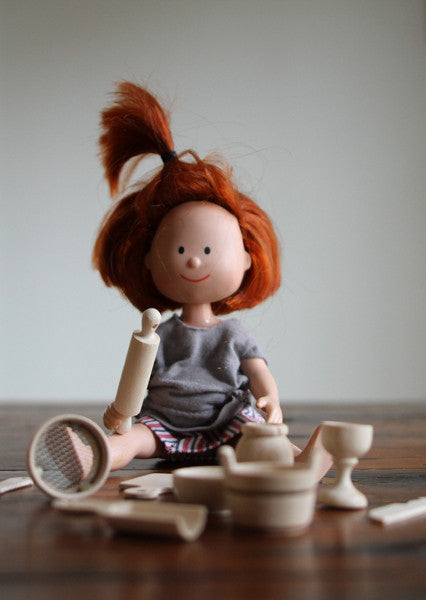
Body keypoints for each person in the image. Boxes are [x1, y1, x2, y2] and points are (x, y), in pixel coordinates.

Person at [93, 82, 330, 474]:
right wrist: (121, 410)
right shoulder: (160, 334)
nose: (193, 261)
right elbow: (136, 378)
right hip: (163, 423)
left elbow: (258, 374)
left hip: (227, 422)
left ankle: (300, 462)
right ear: (148, 260)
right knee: (130, 439)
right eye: (181, 251)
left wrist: (269, 399)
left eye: (208, 251)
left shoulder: (234, 335)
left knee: (261, 436)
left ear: (248, 260)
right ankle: (94, 456)